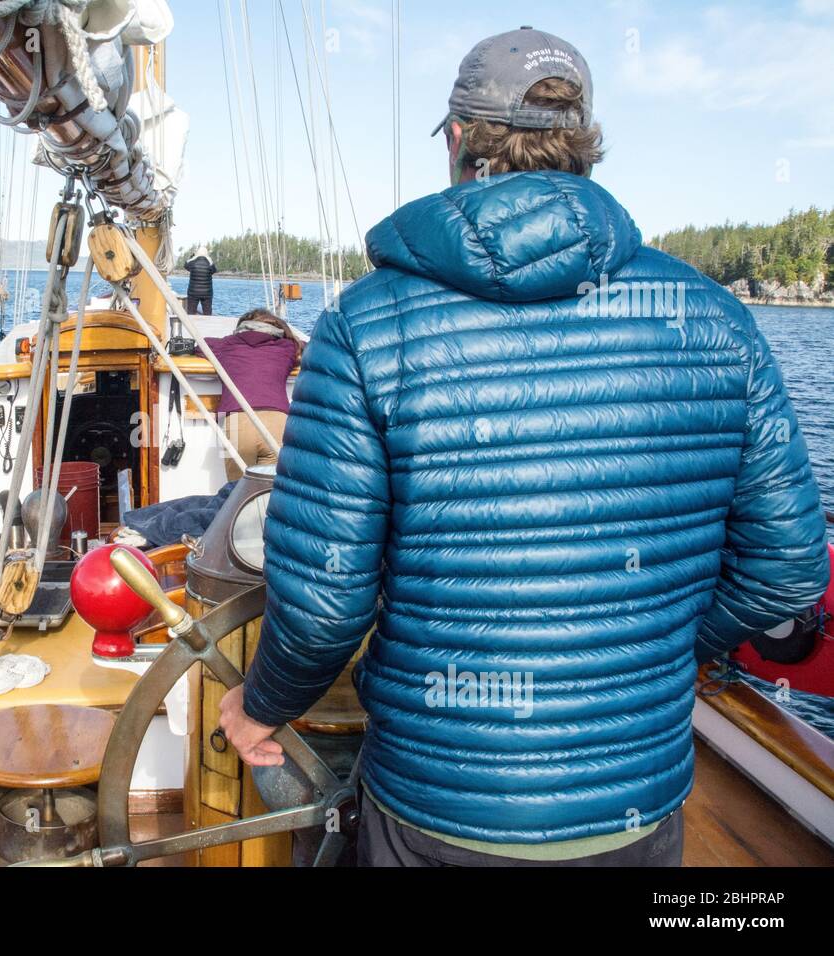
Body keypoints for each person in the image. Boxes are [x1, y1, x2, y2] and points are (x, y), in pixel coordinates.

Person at [219, 27, 830, 867]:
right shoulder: (718, 319)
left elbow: (327, 602)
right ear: (583, 145)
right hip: (634, 804)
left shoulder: (366, 325)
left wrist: (259, 705)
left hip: (439, 807)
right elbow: (789, 566)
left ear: (462, 141)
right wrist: (666, 652)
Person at [203, 309, 300, 481]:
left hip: (237, 423)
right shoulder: (288, 347)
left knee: (236, 493)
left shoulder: (224, 345)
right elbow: (311, 348)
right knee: (271, 494)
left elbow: (198, 346)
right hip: (277, 423)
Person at [184, 246, 217, 315]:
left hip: (193, 292)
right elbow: (214, 270)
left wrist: (192, 257)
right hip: (207, 294)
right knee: (207, 313)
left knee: (191, 313)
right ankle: (208, 324)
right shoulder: (209, 263)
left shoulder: (192, 262)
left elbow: (186, 265)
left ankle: (190, 324)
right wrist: (210, 259)